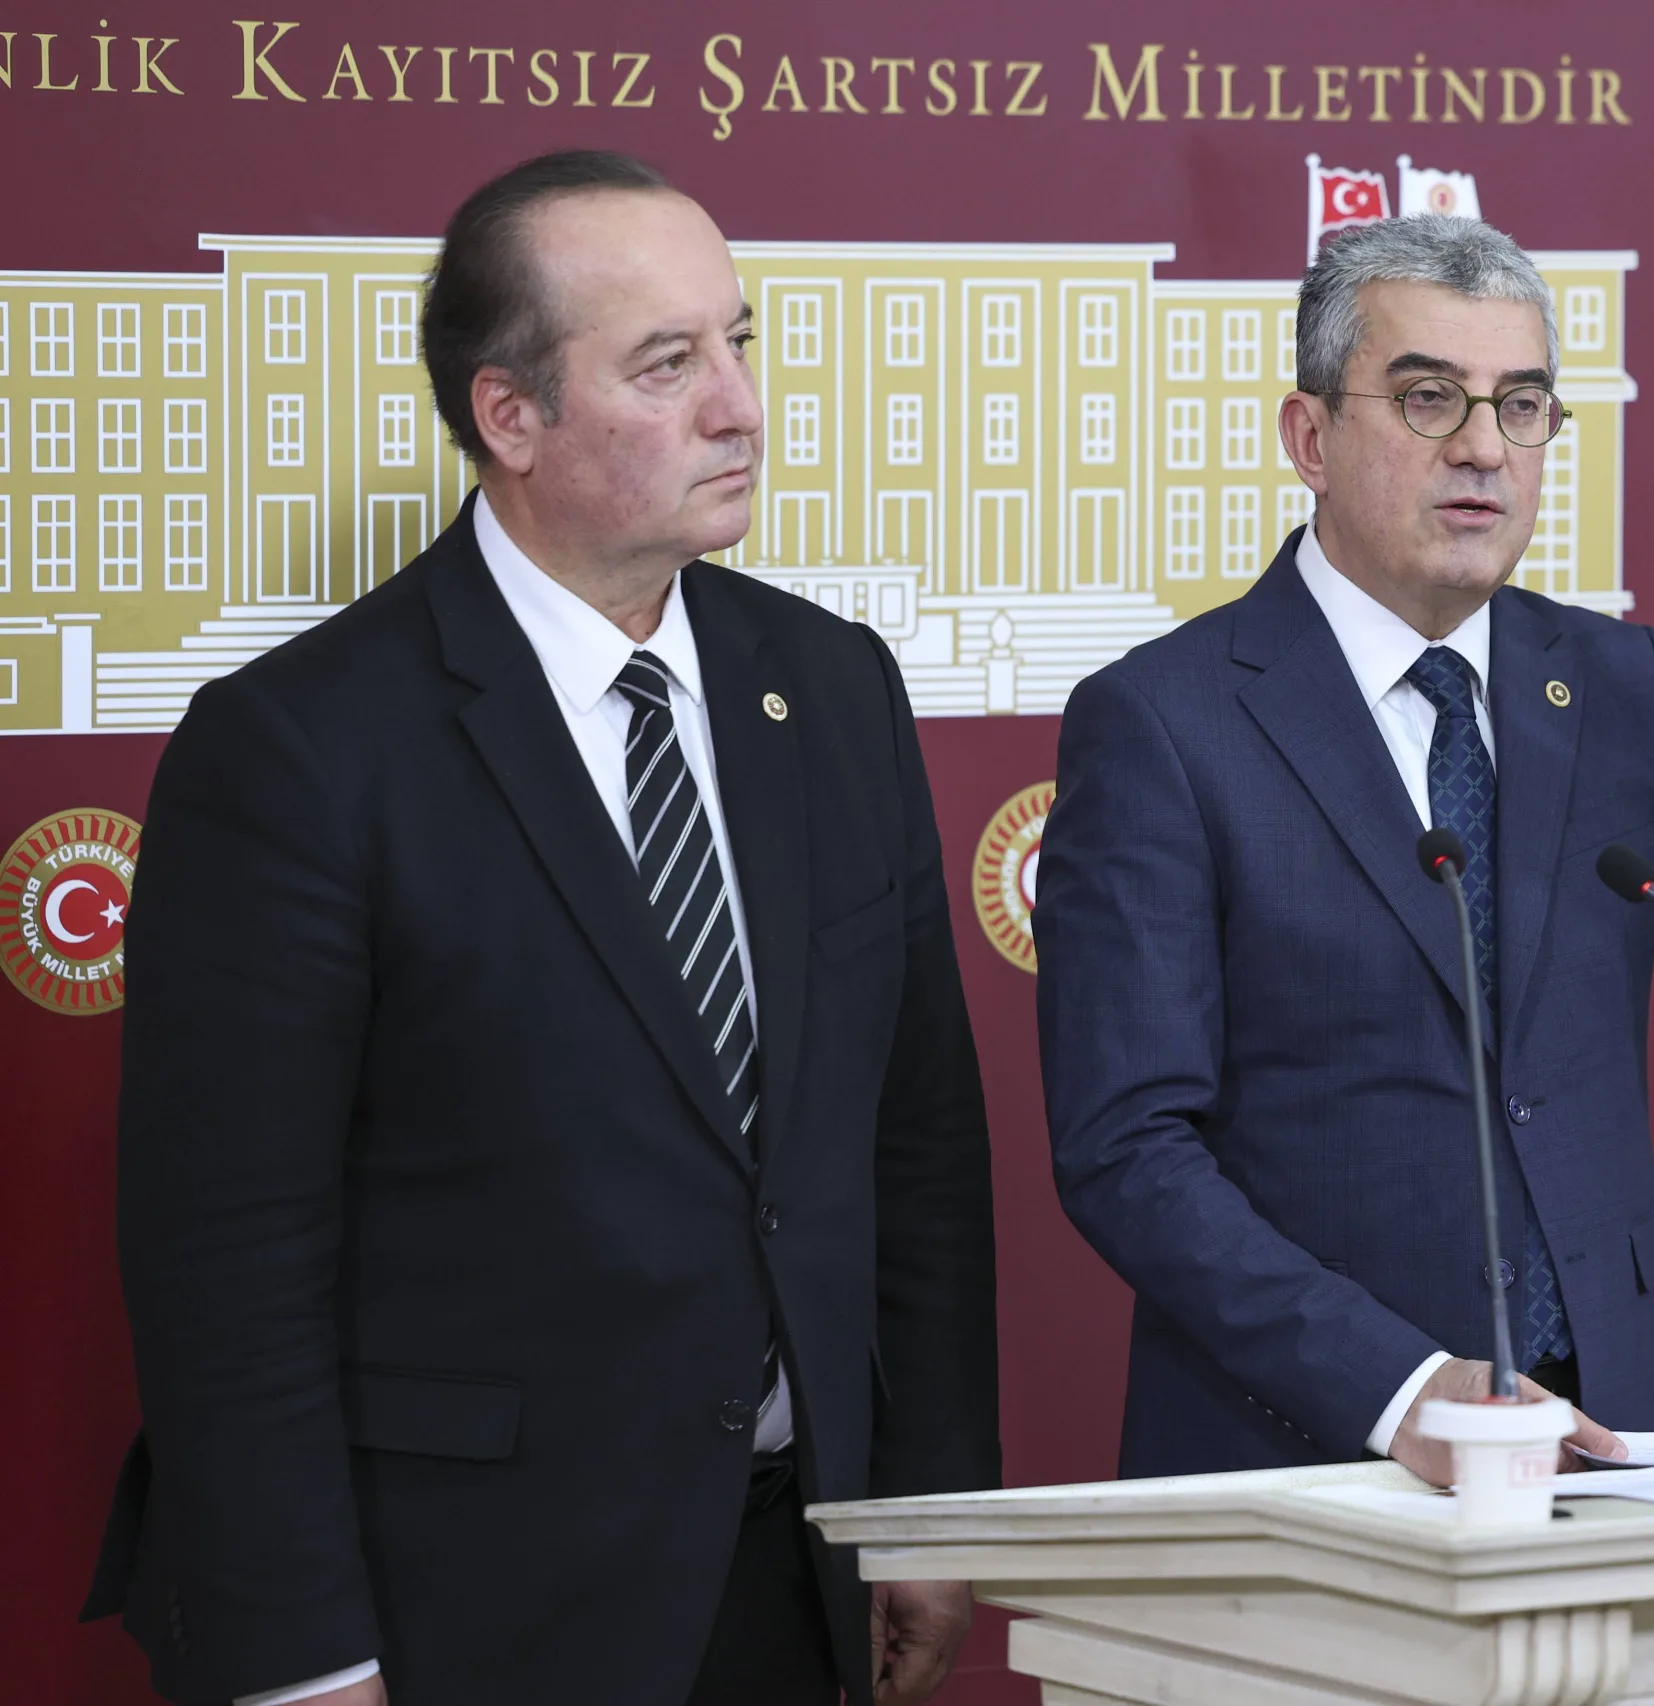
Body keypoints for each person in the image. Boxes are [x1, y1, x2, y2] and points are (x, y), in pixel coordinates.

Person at [81, 150, 998, 1706]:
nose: (741, 406)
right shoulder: (299, 751)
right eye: (667, 364)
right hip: (464, 1608)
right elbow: (228, 1269)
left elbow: (917, 1148)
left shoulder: (834, 689)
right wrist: (304, 1662)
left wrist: (925, 1506)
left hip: (787, 1580)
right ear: (510, 416)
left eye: (738, 341)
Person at [1035, 215, 1654, 1483]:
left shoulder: (1615, 685)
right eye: (1427, 399)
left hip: (1619, 1439)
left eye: (1520, 406)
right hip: (1313, 1450)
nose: (1481, 448)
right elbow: (1127, 1149)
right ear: (1309, 437)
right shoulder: (1166, 722)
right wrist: (1400, 1387)